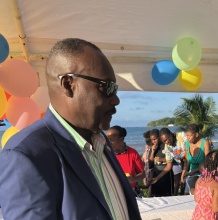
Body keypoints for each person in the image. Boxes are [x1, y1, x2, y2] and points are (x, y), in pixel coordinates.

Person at [0, 38, 141, 219]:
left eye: (115, 89)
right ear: (68, 84)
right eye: (107, 87)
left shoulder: (100, 140)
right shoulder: (26, 155)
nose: (115, 99)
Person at [106, 126, 145, 190]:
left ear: (121, 139)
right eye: (107, 140)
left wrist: (132, 180)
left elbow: (142, 174)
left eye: (111, 140)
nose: (108, 143)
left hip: (130, 190)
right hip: (113, 191)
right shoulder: (107, 154)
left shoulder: (132, 153)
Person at [181, 124, 210, 195]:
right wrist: (183, 175)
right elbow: (187, 162)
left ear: (196, 134)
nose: (188, 138)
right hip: (191, 174)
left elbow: (208, 162)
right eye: (186, 136)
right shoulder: (187, 143)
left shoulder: (205, 143)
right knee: (186, 194)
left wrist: (193, 172)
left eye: (189, 136)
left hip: (203, 173)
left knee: (199, 193)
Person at [159, 127, 185, 195]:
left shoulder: (181, 136)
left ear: (171, 134)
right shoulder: (167, 147)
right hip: (181, 167)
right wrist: (157, 178)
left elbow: (191, 148)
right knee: (177, 186)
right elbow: (168, 166)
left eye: (168, 138)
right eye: (164, 141)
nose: (167, 142)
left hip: (190, 166)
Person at [148, 128, 174, 197]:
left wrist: (162, 159)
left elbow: (172, 160)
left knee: (167, 195)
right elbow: (150, 164)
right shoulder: (152, 148)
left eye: (155, 139)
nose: (154, 141)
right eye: (152, 140)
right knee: (155, 195)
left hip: (166, 174)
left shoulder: (166, 145)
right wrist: (152, 152)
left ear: (159, 137)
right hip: (156, 173)